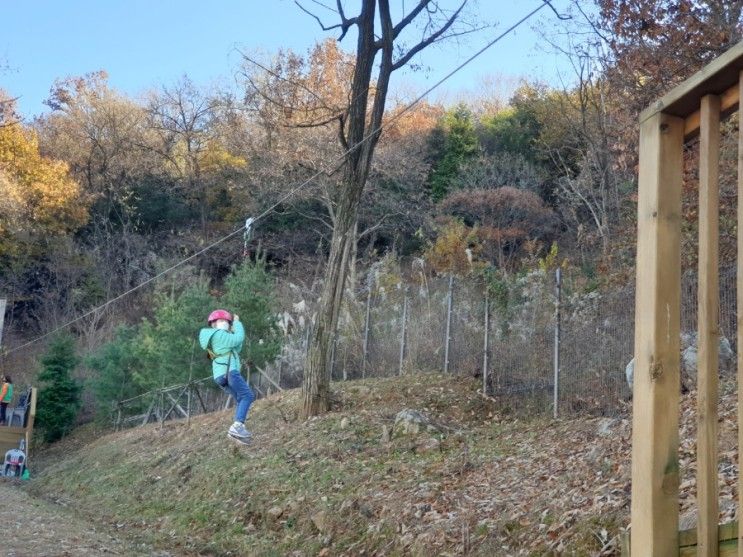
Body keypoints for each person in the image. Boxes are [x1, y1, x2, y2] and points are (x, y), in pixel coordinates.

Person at [198, 310, 255, 442]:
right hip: (230, 371)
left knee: (241, 398)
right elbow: (238, 338)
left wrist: (233, 330)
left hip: (220, 375)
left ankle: (236, 432)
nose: (225, 324)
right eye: (222, 321)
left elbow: (237, 347)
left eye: (227, 322)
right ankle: (237, 426)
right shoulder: (219, 334)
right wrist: (237, 323)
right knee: (247, 395)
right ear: (213, 324)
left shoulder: (212, 338)